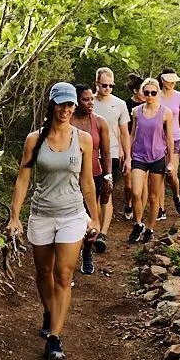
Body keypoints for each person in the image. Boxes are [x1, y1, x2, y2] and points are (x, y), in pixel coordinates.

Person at [6, 83, 99, 360]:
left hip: (72, 214)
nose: (66, 110)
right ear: (52, 105)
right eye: (61, 104)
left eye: (71, 105)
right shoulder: (35, 140)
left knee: (63, 273)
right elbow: (23, 179)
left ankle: (55, 339)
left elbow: (87, 182)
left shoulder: (82, 139)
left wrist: (94, 217)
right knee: (43, 271)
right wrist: (14, 216)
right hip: (42, 213)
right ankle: (49, 311)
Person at [127, 78, 173, 245]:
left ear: (158, 93)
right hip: (139, 155)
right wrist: (128, 155)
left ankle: (150, 228)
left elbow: (169, 138)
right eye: (146, 92)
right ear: (142, 93)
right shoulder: (136, 111)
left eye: (153, 92)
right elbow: (132, 133)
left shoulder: (165, 112)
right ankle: (138, 224)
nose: (150, 95)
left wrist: (171, 162)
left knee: (154, 197)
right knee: (136, 192)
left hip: (157, 156)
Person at [71, 84, 111, 273]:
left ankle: (86, 252)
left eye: (91, 99)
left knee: (89, 219)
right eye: (85, 99)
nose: (90, 103)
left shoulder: (100, 122)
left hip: (93, 175)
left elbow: (106, 152)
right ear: (76, 101)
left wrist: (108, 177)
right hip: (70, 176)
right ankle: (67, 255)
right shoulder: (67, 121)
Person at [92, 67, 131, 240]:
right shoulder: (88, 102)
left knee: (106, 192)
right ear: (97, 84)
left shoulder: (120, 104)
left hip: (112, 154)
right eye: (104, 85)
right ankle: (93, 227)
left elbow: (124, 132)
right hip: (90, 154)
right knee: (92, 193)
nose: (107, 88)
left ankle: (103, 233)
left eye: (111, 85)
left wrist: (128, 157)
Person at [158, 69, 180, 216]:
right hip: (158, 139)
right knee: (158, 175)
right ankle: (160, 209)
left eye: (174, 80)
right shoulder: (156, 95)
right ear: (163, 80)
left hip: (175, 137)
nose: (172, 83)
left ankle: (176, 196)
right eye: (169, 80)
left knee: (170, 173)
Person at [123, 74, 145, 220]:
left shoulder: (149, 105)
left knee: (142, 182)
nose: (147, 94)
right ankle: (128, 203)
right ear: (136, 91)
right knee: (128, 182)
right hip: (129, 144)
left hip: (144, 146)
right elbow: (123, 129)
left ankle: (139, 211)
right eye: (144, 91)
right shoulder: (126, 105)